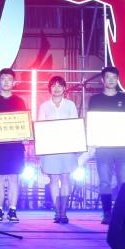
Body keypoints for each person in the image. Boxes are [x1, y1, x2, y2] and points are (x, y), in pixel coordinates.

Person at [86, 66, 125, 223]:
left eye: (114, 77)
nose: (111, 80)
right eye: (108, 77)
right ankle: (107, 213)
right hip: (103, 147)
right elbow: (92, 122)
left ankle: (123, 212)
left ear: (118, 80)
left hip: (123, 147)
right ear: (102, 80)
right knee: (104, 181)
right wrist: (92, 139)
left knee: (124, 181)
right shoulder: (95, 99)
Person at [0, 68, 28, 222]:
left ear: (14, 82)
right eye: (3, 79)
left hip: (15, 147)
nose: (6, 82)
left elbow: (24, 123)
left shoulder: (19, 101)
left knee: (13, 179)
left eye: (9, 79)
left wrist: (25, 136)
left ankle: (12, 210)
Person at [39, 76, 80, 223]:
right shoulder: (44, 106)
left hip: (67, 146)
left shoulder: (70, 105)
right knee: (54, 179)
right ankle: (57, 211)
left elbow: (75, 125)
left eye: (59, 86)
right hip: (50, 147)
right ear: (49, 88)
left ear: (64, 88)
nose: (56, 89)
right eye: (53, 86)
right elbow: (41, 127)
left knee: (65, 178)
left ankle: (64, 212)